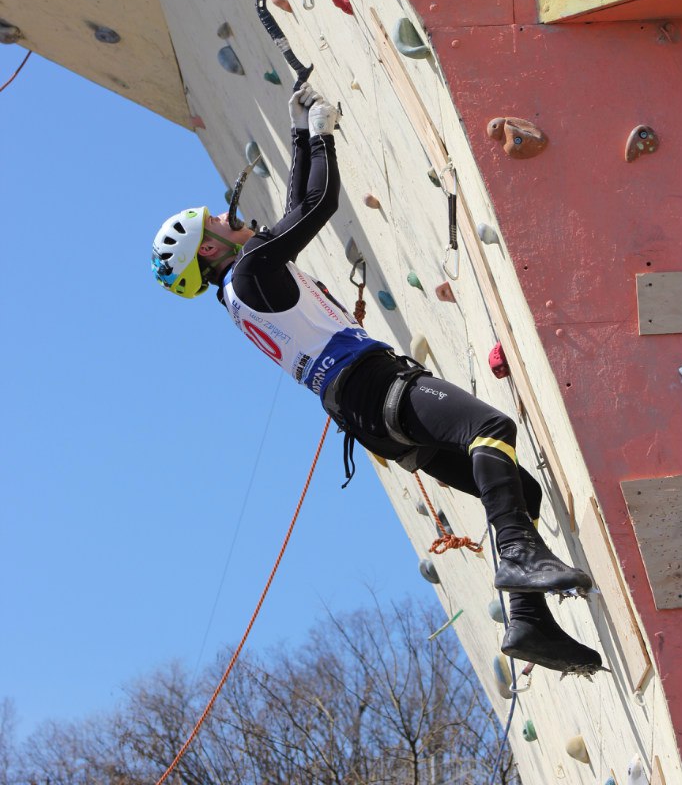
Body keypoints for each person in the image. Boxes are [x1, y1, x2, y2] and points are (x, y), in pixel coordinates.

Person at [152, 84, 602, 676]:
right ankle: (517, 555)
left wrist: (301, 132)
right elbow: (316, 206)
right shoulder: (253, 267)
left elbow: (293, 210)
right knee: (490, 426)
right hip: (372, 385)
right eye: (221, 220)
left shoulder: (240, 293)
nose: (233, 216)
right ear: (209, 246)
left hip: (362, 417)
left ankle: (529, 622)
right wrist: (323, 135)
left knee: (521, 490)